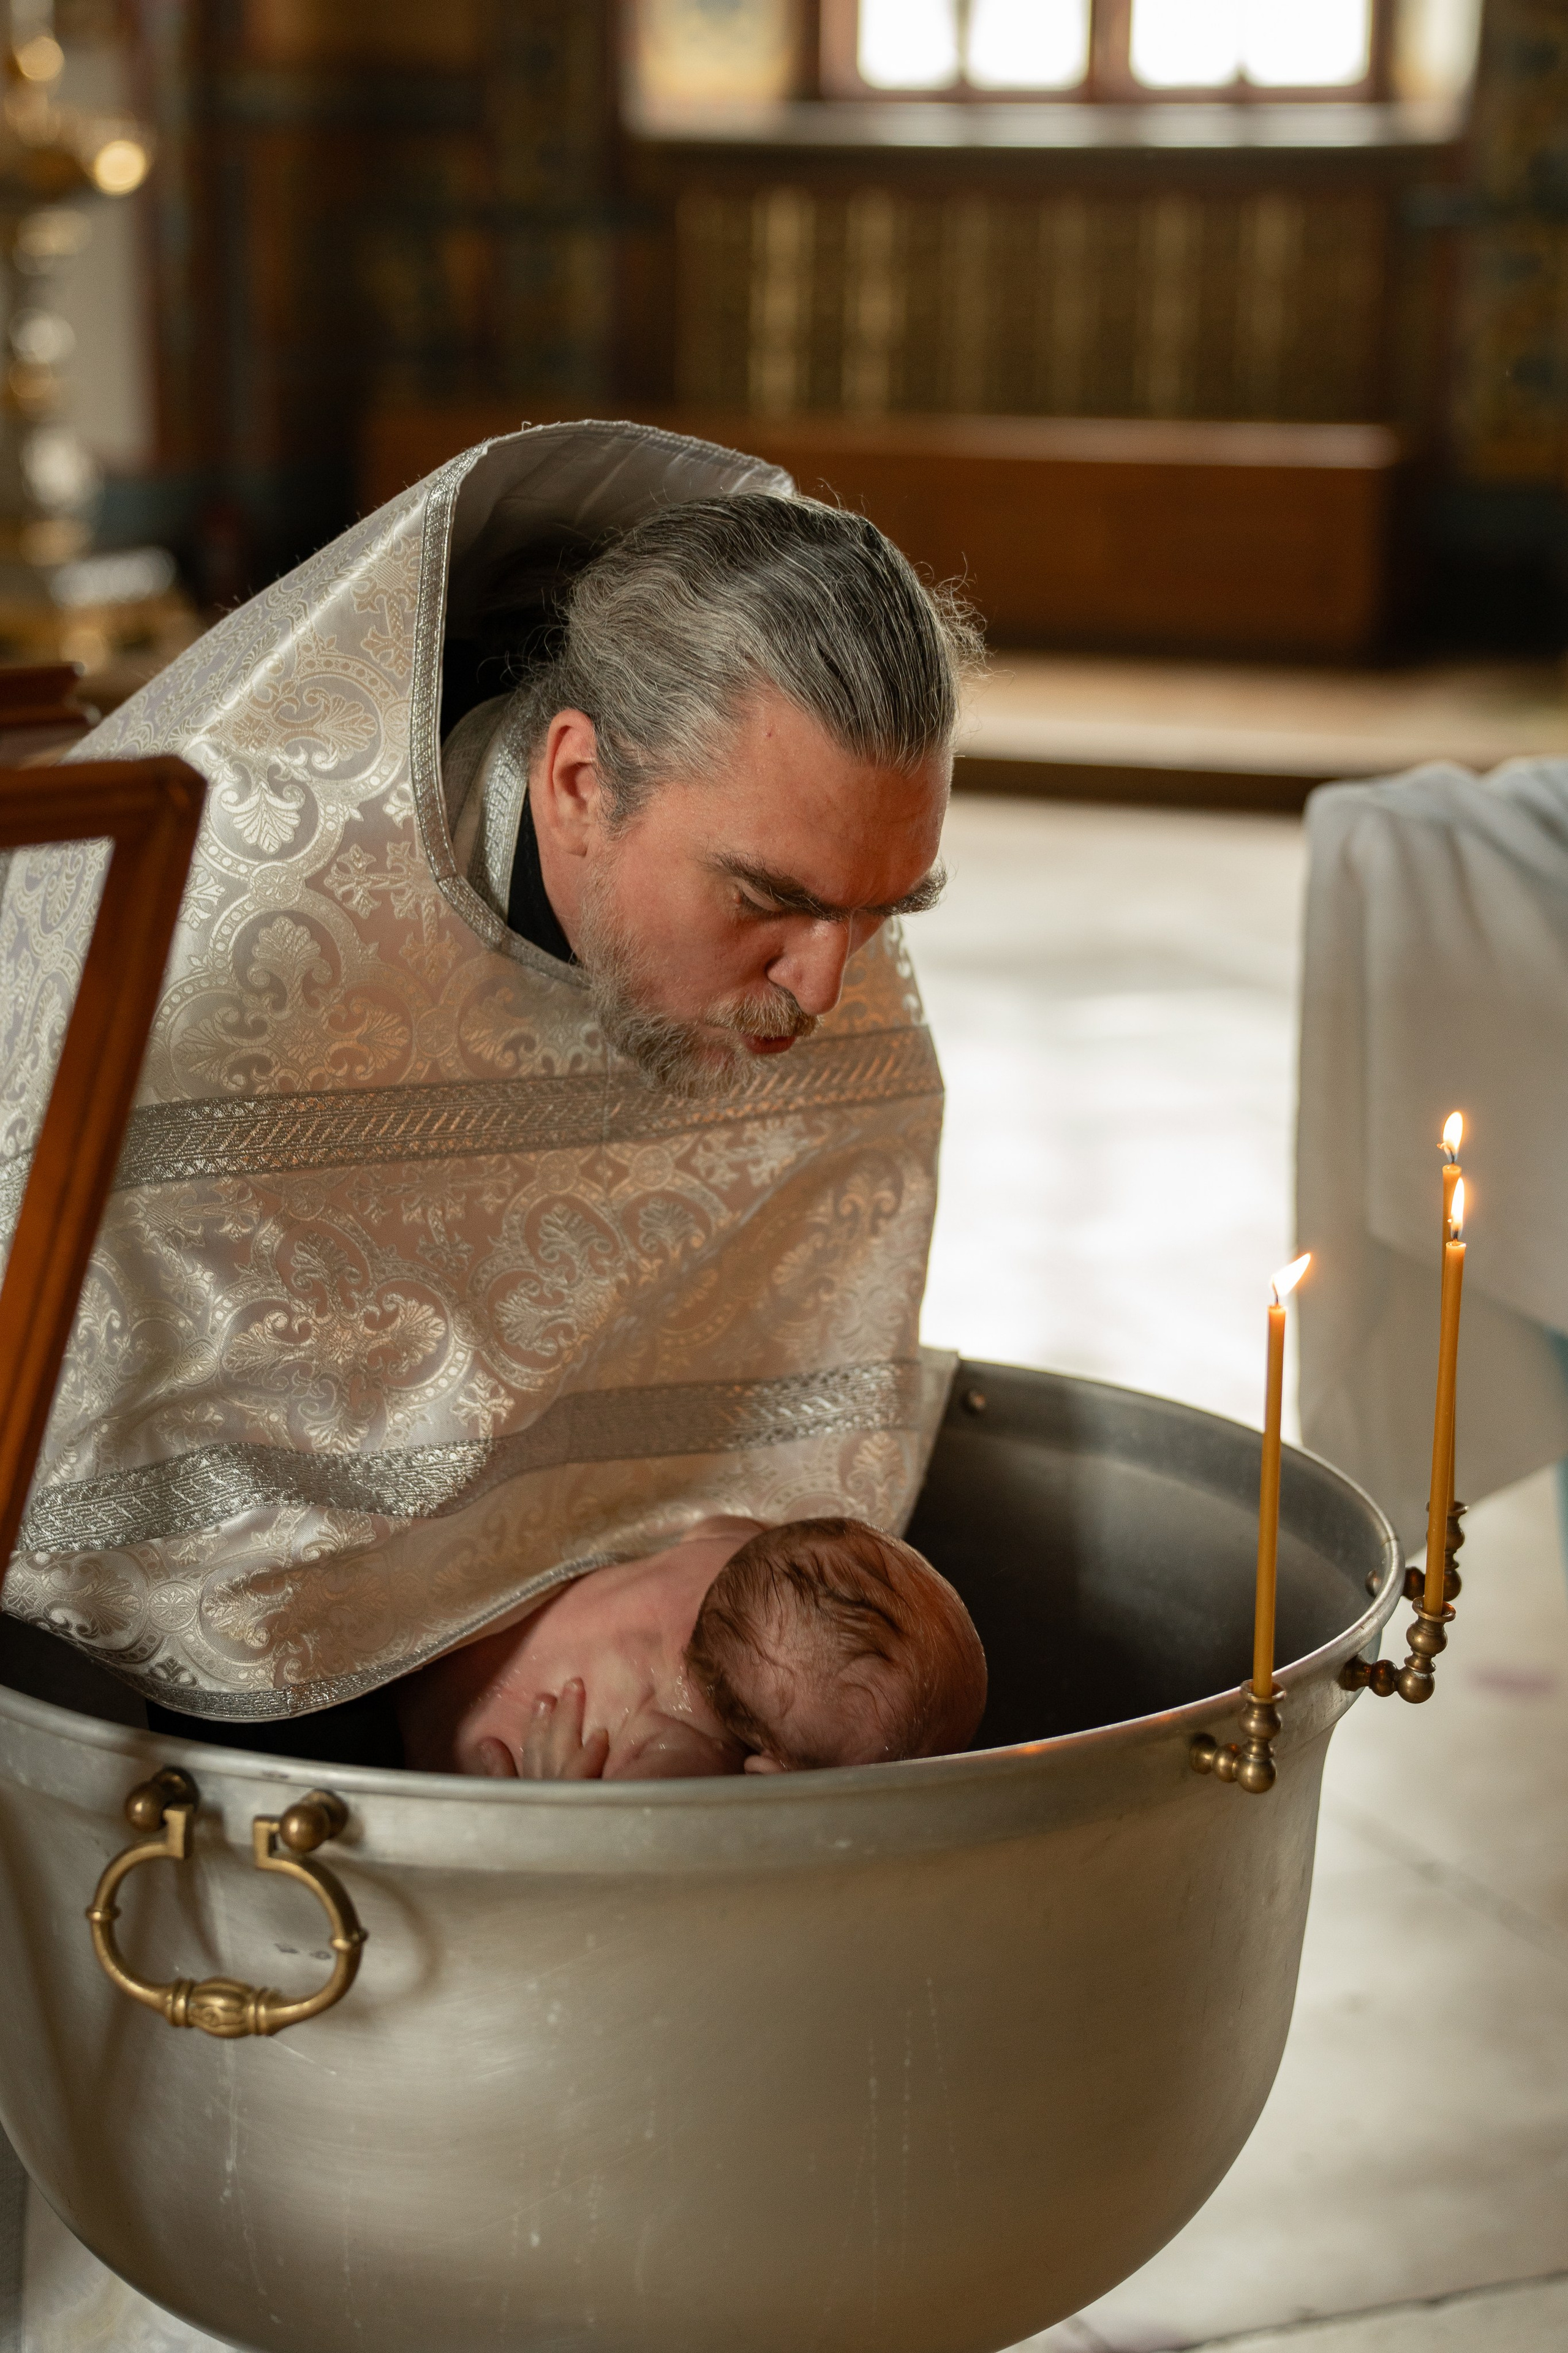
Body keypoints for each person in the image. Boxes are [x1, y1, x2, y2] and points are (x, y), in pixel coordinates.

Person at [2, 421, 981, 1735]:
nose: (822, 988)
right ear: (579, 780)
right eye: (769, 901)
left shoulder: (828, 948)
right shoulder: (226, 938)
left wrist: (642, 1586)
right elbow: (111, 1509)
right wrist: (464, 1658)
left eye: (880, 911)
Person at [396, 1514, 988, 1780]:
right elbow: (617, 1853)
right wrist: (559, 1802)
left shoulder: (734, 1545)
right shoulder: (691, 1747)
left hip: (438, 1637)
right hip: (441, 1740)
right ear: (770, 1770)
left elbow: (713, 1517)